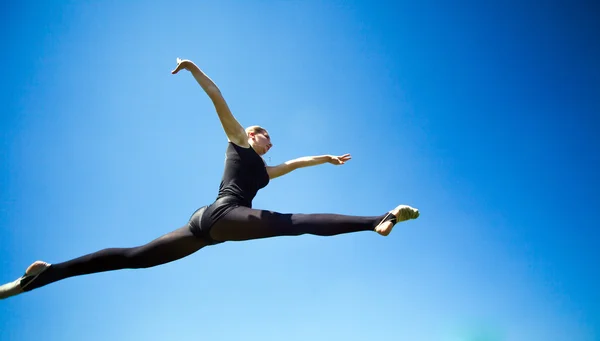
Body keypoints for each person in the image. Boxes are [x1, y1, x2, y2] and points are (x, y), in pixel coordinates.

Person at [0, 58, 419, 300]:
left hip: (204, 227)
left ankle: (46, 274)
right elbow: (218, 96)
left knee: (134, 257)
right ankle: (378, 220)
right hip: (225, 213)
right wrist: (193, 67)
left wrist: (325, 158)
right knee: (297, 224)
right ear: (252, 135)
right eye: (267, 134)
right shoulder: (238, 141)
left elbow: (296, 163)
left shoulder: (267, 171)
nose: (271, 141)